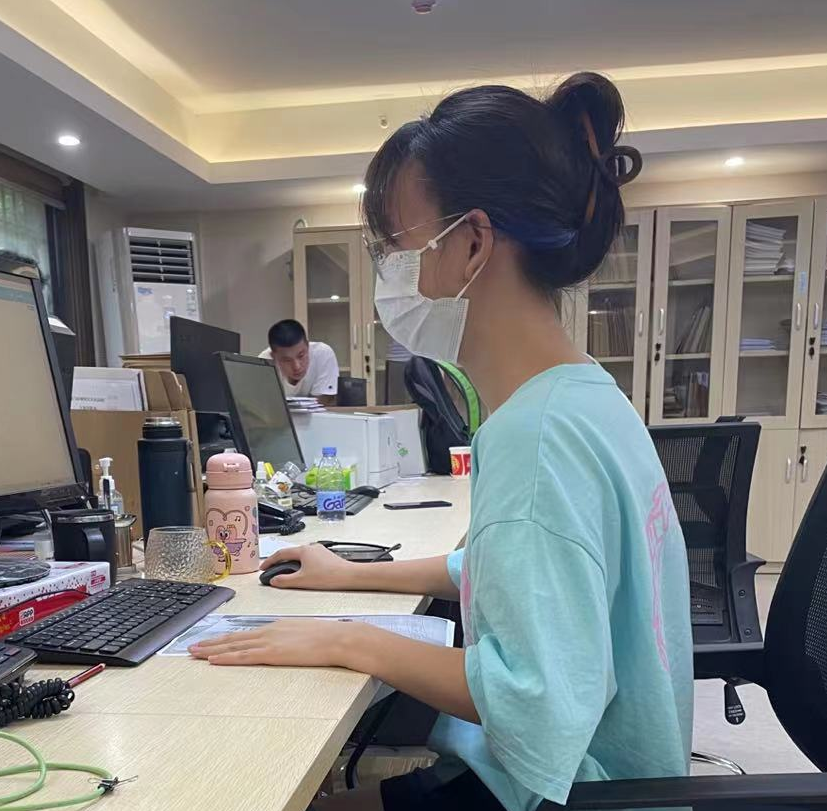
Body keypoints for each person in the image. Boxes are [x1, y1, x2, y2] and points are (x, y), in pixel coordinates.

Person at [191, 72, 692, 811]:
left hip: (563, 792)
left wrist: (350, 640)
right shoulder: (586, 395)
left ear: (474, 243)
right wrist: (351, 576)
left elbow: (533, 702)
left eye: (397, 247)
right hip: (607, 781)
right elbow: (512, 569)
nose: (390, 274)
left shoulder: (536, 437)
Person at [258, 319, 339, 405]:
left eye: (301, 356)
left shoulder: (322, 353)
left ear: (307, 345)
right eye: (287, 360)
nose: (297, 366)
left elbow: (323, 402)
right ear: (273, 357)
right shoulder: (263, 364)